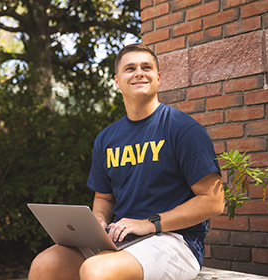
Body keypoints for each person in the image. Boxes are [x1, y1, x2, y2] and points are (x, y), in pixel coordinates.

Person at [28, 44, 225, 280]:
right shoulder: (107, 138)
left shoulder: (183, 129)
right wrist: (99, 220)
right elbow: (104, 197)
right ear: (117, 81)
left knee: (96, 270)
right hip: (121, 238)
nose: (139, 73)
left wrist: (149, 223)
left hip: (174, 240)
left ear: (158, 78)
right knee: (46, 264)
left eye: (146, 67)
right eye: (130, 68)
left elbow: (213, 201)